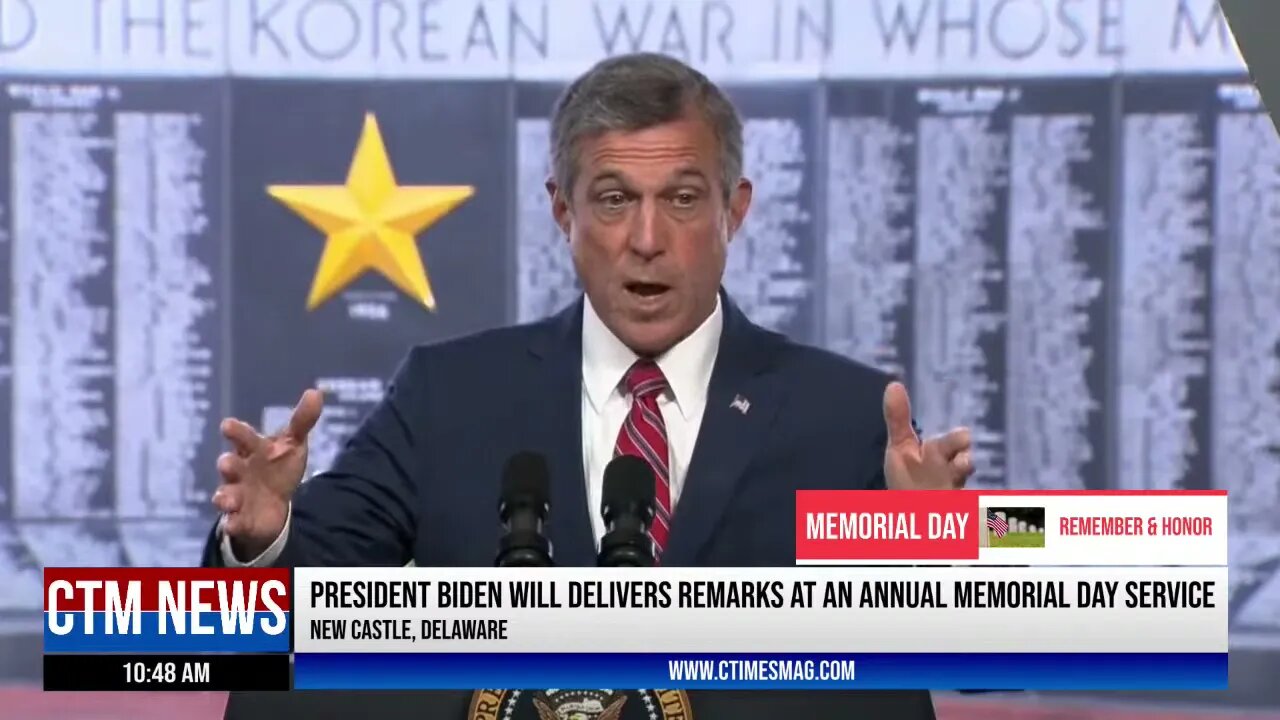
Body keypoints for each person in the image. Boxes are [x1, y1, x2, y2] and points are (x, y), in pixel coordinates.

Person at [205, 51, 972, 718]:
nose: (646, 240)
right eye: (613, 199)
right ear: (562, 211)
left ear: (733, 211)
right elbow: (299, 610)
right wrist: (262, 537)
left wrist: (941, 547)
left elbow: (964, 662)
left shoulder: (845, 417)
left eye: (681, 198)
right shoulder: (451, 394)